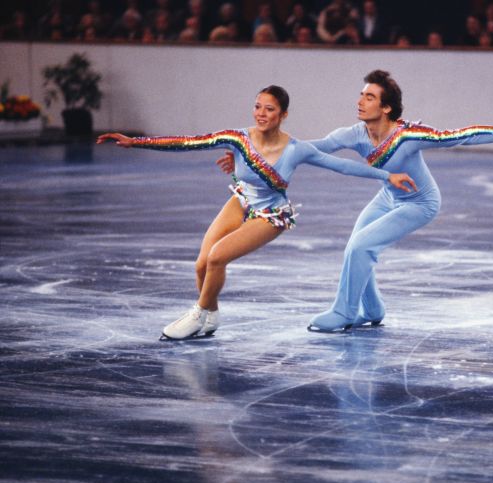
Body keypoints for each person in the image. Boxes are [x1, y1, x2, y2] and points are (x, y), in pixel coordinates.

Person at [219, 71, 493, 333]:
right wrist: (251, 156)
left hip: (419, 202)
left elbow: (460, 136)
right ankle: (372, 309)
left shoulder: (408, 137)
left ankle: (344, 312)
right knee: (357, 244)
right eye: (361, 94)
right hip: (388, 196)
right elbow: (304, 149)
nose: (360, 101)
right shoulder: (354, 134)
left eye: (369, 97)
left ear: (387, 108)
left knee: (361, 246)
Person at [96, 85, 417, 340]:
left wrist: (387, 175)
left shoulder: (296, 149)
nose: (261, 114)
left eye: (270, 109)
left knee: (217, 258)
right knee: (201, 264)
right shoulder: (238, 138)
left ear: (283, 114)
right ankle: (210, 316)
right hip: (241, 201)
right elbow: (189, 142)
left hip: (271, 214)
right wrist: (135, 142)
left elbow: (342, 166)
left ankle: (197, 315)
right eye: (258, 107)